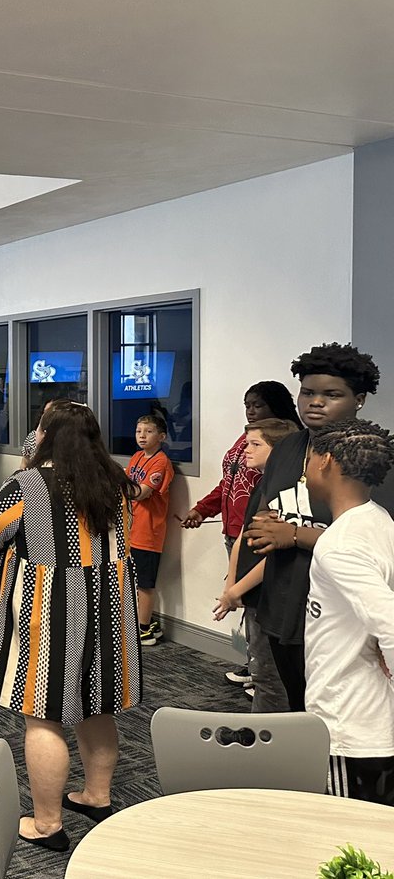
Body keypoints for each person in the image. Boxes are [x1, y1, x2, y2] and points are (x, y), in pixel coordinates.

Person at [0, 401, 142, 853]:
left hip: (49, 609)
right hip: (109, 606)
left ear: (44, 436)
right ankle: (97, 796)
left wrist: (24, 462)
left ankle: (47, 824)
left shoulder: (29, 484)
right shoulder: (118, 482)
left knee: (43, 716)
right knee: (97, 705)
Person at [240, 342, 380, 712]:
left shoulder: (372, 456)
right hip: (283, 604)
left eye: (331, 394)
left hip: (341, 616)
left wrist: (297, 536)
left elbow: (377, 545)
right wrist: (266, 526)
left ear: (359, 399)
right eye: (308, 392)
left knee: (338, 717)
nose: (315, 402)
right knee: (298, 707)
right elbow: (265, 511)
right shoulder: (287, 448)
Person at [182, 381, 301, 688]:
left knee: (261, 607)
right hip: (235, 532)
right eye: (247, 404)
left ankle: (268, 677)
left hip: (263, 533)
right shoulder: (246, 439)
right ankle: (256, 665)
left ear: (276, 405)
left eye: (258, 404)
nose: (250, 410)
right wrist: (202, 509)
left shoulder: (289, 443)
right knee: (247, 604)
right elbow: (228, 483)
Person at [302, 419, 394, 806]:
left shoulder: (339, 545)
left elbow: (390, 623)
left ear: (325, 461)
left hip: (349, 723)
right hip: (368, 717)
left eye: (307, 458)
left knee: (345, 839)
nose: (303, 469)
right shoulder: (378, 519)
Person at [211, 418, 302, 711]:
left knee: (269, 676)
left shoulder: (286, 492)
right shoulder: (262, 483)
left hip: (269, 593)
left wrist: (238, 590)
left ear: (280, 450)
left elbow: (272, 554)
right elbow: (241, 538)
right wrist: (231, 587)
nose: (245, 450)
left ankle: (264, 739)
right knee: (259, 665)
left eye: (255, 444)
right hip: (250, 592)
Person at [127, 413, 175, 646]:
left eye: (149, 431)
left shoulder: (161, 462)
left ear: (162, 436)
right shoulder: (136, 457)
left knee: (145, 584)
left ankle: (143, 628)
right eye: (139, 431)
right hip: (132, 529)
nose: (142, 436)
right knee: (133, 581)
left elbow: (142, 492)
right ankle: (140, 621)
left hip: (148, 533)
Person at [19, 396, 69, 469]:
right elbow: (24, 463)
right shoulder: (33, 436)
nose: (46, 416)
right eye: (45, 412)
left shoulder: (67, 439)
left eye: (50, 413)